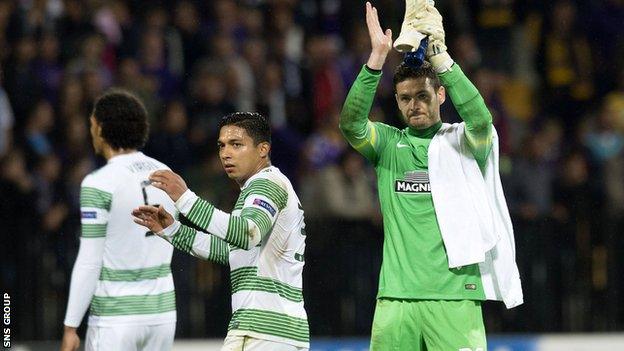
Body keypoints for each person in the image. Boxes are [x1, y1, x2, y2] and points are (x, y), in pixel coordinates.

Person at [339, 2, 523, 350]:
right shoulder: (389, 145)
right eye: (405, 98)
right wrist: (377, 58)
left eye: (423, 95)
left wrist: (441, 58)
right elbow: (351, 125)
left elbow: (481, 121)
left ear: (440, 94)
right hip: (396, 298)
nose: (414, 105)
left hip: (455, 296)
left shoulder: (464, 143)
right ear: (396, 102)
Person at [133, 112, 309, 351]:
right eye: (222, 146)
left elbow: (247, 234)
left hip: (263, 332)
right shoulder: (261, 188)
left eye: (237, 145)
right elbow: (230, 251)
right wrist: (173, 230)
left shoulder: (266, 183)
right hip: (275, 330)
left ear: (262, 149)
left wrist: (185, 200)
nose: (226, 153)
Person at [60, 90, 177, 351]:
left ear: (101, 129)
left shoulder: (98, 183)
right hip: (162, 315)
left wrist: (70, 326)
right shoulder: (166, 174)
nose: (91, 131)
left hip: (116, 316)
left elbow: (90, 259)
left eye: (92, 125)